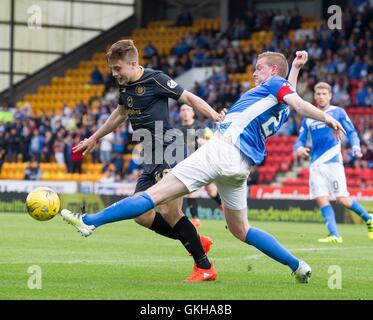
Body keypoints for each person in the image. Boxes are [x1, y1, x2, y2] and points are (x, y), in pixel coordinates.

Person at [61, 50, 345, 283]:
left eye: (258, 68)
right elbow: (290, 95)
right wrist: (296, 67)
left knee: (153, 197)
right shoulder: (276, 98)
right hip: (241, 166)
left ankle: (89, 222)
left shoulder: (273, 86)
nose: (253, 73)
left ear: (272, 72)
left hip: (223, 149)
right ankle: (298, 265)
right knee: (241, 230)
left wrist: (326, 118)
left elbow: (296, 101)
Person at [64, 39, 224, 282]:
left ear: (133, 63)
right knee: (143, 215)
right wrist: (94, 138)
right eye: (111, 70)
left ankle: (205, 267)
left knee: (170, 212)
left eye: (117, 69)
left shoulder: (155, 79)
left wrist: (213, 115)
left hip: (170, 150)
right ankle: (197, 241)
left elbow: (188, 98)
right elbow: (120, 114)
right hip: (151, 155)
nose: (114, 74)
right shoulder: (125, 86)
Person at [294, 82, 373, 243]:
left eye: (324, 94)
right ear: (315, 96)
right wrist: (299, 149)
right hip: (315, 164)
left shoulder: (337, 112)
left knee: (342, 199)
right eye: (318, 94)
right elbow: (300, 140)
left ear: (330, 95)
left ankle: (368, 217)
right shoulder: (309, 117)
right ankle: (334, 235)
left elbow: (351, 131)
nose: (321, 97)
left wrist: (356, 147)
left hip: (333, 162)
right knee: (321, 198)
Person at [176, 103, 223, 227]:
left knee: (211, 191)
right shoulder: (176, 130)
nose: (185, 111)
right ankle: (195, 218)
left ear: (193, 112)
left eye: (188, 109)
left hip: (204, 163)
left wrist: (204, 141)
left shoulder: (201, 127)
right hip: (187, 165)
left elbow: (214, 142)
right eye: (183, 109)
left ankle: (223, 205)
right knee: (191, 190)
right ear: (180, 113)